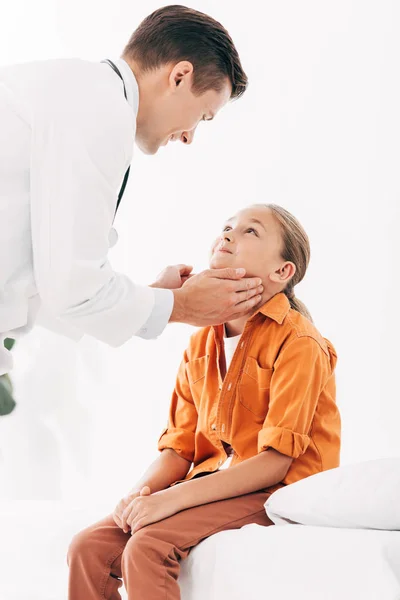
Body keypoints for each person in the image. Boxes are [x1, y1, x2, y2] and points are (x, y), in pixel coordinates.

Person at [67, 203, 342, 599]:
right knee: (87, 548)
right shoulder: (201, 342)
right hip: (213, 484)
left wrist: (172, 500)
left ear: (282, 272)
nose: (229, 234)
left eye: (251, 231)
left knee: (148, 546)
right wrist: (138, 497)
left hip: (277, 489)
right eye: (228, 226)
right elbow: (180, 450)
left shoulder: (300, 343)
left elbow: (276, 461)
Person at [0, 5, 263, 376]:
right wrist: (181, 306)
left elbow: (46, 282)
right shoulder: (100, 107)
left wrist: (159, 296)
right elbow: (72, 290)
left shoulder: (81, 92)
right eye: (203, 116)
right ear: (180, 76)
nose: (189, 136)